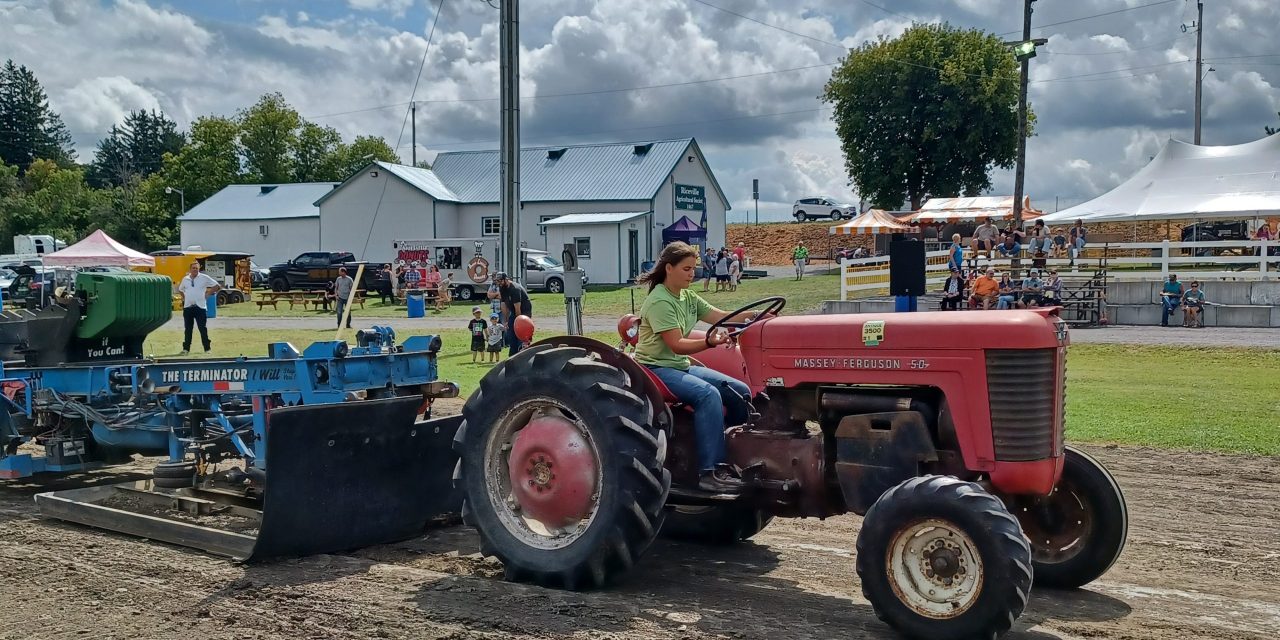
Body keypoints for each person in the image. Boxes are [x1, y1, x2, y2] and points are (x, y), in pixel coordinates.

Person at [634, 241, 758, 495]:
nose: (693, 274)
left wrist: (757, 316)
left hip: (678, 367)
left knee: (740, 391)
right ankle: (710, 472)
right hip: (655, 368)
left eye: (694, 269)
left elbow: (720, 316)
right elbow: (677, 345)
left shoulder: (687, 296)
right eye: (687, 269)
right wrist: (709, 341)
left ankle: (732, 454)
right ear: (669, 268)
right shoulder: (660, 301)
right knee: (707, 394)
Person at [177, 262, 221, 355]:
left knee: (202, 328)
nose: (195, 270)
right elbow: (180, 289)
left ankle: (207, 349)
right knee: (188, 329)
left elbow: (217, 286)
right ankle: (186, 349)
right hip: (188, 307)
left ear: (199, 269)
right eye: (193, 268)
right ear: (190, 269)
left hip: (200, 307)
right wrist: (185, 298)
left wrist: (208, 294)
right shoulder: (185, 279)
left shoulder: (204, 278)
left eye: (196, 268)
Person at [495, 271, 532, 357]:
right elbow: (504, 305)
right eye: (497, 281)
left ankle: (522, 353)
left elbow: (518, 308)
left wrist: (518, 323)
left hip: (523, 312)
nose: (499, 283)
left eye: (500, 280)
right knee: (511, 333)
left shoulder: (514, 289)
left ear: (506, 279)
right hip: (514, 312)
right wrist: (506, 320)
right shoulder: (502, 288)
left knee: (520, 334)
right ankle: (512, 355)